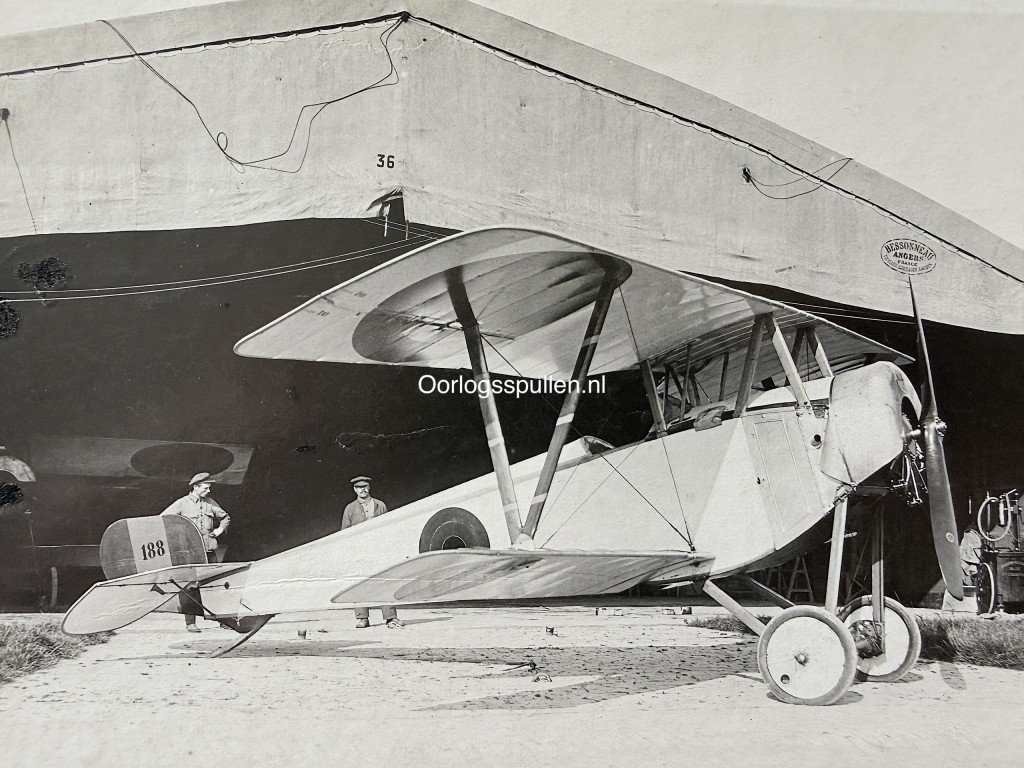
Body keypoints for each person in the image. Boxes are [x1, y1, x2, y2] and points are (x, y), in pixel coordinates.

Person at [161, 472, 231, 632]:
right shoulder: (181, 504)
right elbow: (164, 520)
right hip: (189, 554)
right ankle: (190, 623)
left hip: (209, 550)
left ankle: (223, 620)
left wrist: (219, 530)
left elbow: (225, 517)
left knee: (217, 583)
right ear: (195, 487)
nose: (208, 491)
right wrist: (179, 539)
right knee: (189, 587)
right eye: (206, 488)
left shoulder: (210, 503)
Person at [342, 476, 402, 629]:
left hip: (379, 550)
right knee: (359, 583)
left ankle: (390, 617)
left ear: (369, 487)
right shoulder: (350, 508)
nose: (362, 489)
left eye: (365, 486)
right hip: (359, 552)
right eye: (359, 487)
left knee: (385, 582)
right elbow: (344, 534)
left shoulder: (380, 505)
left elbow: (389, 527)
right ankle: (362, 618)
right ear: (354, 489)